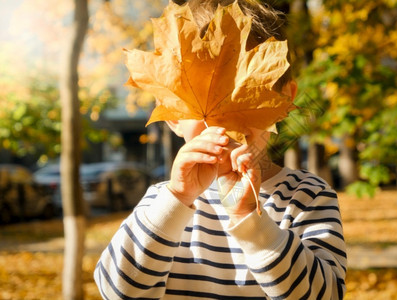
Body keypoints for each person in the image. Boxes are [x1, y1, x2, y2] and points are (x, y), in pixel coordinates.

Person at [94, 0, 347, 299]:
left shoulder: (308, 197)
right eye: (205, 103)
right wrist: (176, 199)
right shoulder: (162, 203)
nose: (225, 121)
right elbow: (116, 291)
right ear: (172, 112)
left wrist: (250, 219)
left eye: (245, 95)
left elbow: (324, 295)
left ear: (284, 101)